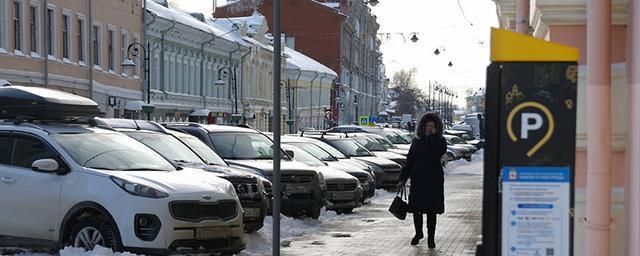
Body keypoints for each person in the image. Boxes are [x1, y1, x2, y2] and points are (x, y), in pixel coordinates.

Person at [397, 113, 447, 248]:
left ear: (437, 128)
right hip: (418, 180)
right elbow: (410, 161)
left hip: (433, 181)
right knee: (416, 209)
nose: (429, 128)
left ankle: (431, 238)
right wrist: (403, 178)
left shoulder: (440, 141)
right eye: (427, 125)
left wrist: (431, 138)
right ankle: (418, 233)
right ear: (422, 126)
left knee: (431, 211)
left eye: (432, 126)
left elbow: (439, 152)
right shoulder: (416, 141)